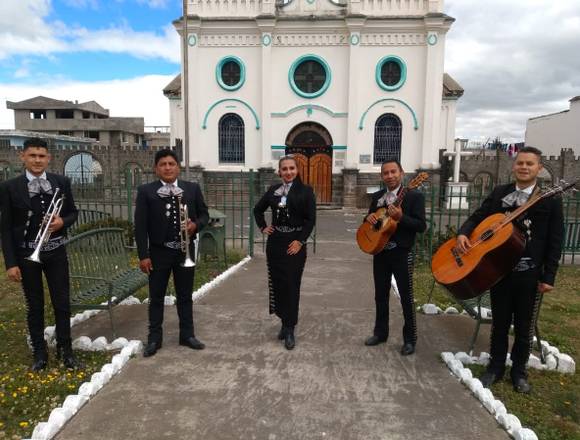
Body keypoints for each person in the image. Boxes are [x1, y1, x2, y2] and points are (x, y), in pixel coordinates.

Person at [456, 146, 564, 393]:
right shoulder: (499, 193)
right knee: (500, 323)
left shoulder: (550, 200)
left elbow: (555, 241)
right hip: (499, 271)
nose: (524, 167)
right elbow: (477, 216)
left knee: (524, 326)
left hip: (530, 273)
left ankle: (519, 372)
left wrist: (549, 276)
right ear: (514, 166)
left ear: (538, 168)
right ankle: (495, 367)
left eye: (530, 164)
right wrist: (463, 233)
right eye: (520, 163)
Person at [0, 137, 79, 370]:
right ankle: (40, 354)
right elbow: (4, 228)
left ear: (48, 158)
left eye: (41, 156)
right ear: (22, 157)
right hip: (27, 254)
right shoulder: (9, 187)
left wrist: (61, 221)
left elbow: (73, 212)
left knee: (62, 303)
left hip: (55, 251)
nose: (37, 160)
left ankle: (66, 351)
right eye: (32, 155)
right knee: (35, 305)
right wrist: (10, 263)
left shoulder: (61, 182)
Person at [135, 149, 209, 357]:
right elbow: (140, 227)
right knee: (156, 297)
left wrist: (195, 225)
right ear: (156, 169)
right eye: (163, 164)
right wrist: (143, 255)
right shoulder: (146, 191)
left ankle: (187, 335)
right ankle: (154, 339)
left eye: (171, 164)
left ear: (178, 166)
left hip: (184, 251)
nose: (167, 167)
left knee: (185, 296)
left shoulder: (192, 189)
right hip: (159, 253)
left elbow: (204, 214)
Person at [364, 159, 426, 355]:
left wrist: (401, 218)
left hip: (402, 252)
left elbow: (421, 226)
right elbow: (370, 220)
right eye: (386, 173)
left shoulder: (414, 196)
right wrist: (369, 218)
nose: (389, 176)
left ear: (402, 173)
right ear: (381, 176)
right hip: (380, 251)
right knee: (380, 295)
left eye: (393, 172)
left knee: (406, 297)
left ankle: (410, 339)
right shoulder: (378, 197)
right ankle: (380, 333)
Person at [253, 155, 316, 350]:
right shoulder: (273, 191)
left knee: (291, 285)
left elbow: (310, 220)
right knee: (278, 283)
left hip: (294, 243)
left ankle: (290, 328)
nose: (288, 172)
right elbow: (257, 210)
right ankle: (283, 322)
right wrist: (263, 227)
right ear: (279, 172)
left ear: (297, 170)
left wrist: (300, 241)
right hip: (276, 244)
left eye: (291, 168)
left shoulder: (306, 191)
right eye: (284, 169)